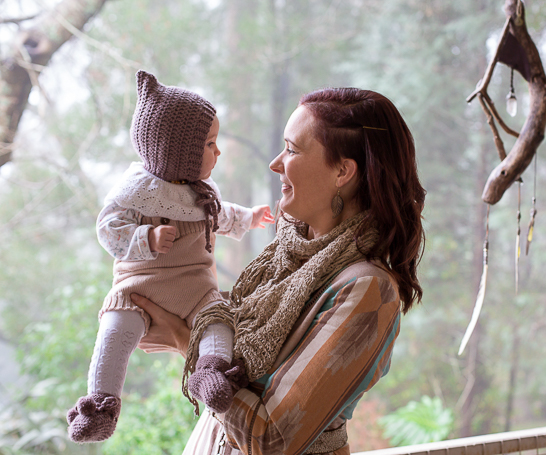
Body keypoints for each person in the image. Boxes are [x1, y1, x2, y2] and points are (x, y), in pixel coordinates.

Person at [133, 87, 426, 455]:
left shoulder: (368, 289)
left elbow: (272, 440)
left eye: (291, 149)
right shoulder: (284, 259)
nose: (275, 163)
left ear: (342, 171)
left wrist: (185, 339)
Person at [66, 70, 274, 443]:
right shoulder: (136, 192)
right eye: (210, 144)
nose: (218, 151)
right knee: (115, 331)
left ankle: (210, 371)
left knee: (217, 322)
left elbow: (220, 213)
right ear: (177, 152)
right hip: (139, 287)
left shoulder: (202, 193)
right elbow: (108, 230)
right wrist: (145, 236)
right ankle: (101, 403)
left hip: (195, 289)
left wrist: (248, 217)